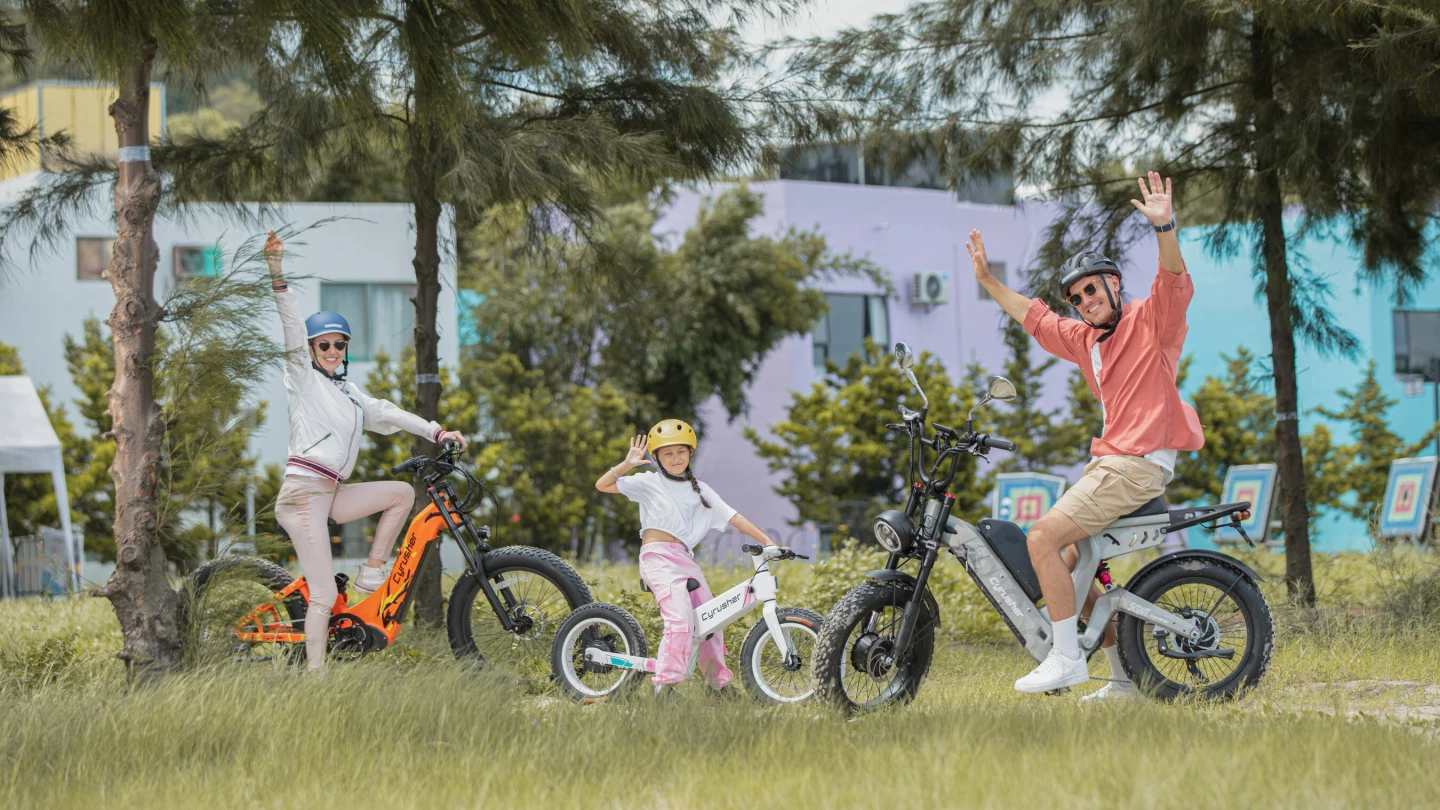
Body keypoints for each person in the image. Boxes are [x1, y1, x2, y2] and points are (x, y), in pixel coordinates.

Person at [966, 173, 1205, 698]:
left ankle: (1066, 658)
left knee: (1043, 538)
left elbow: (1173, 276)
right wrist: (986, 281)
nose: (1084, 300)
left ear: (1114, 285)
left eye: (1091, 288)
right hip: (1112, 465)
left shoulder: (1153, 321)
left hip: (1137, 462)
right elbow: (1035, 316)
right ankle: (1122, 681)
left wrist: (1164, 223)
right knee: (1073, 562)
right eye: (1077, 297)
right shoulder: (1085, 340)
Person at [265, 231, 468, 671]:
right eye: (324, 345)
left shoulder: (352, 396)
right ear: (312, 350)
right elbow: (289, 327)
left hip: (331, 493)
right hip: (303, 494)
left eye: (340, 344)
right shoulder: (302, 378)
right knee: (321, 595)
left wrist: (437, 432)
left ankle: (373, 571)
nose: (333, 351)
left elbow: (390, 413)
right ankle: (315, 683)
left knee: (399, 493)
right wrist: (277, 274)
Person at [595, 419, 779, 693]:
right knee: (680, 620)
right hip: (657, 558)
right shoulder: (648, 482)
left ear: (691, 453)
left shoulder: (701, 490)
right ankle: (665, 687)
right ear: (656, 457)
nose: (675, 458)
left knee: (711, 622)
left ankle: (719, 686)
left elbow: (734, 516)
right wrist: (627, 464)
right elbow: (603, 485)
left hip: (684, 560)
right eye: (667, 453)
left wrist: (767, 541)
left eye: (681, 451)